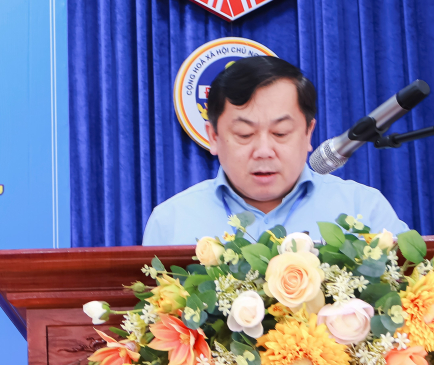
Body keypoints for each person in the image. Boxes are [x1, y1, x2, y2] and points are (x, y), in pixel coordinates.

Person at [142, 56, 407, 245]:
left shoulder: (364, 209)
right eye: (244, 134)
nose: (264, 151)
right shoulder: (171, 222)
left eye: (280, 133)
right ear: (213, 137)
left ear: (308, 133)